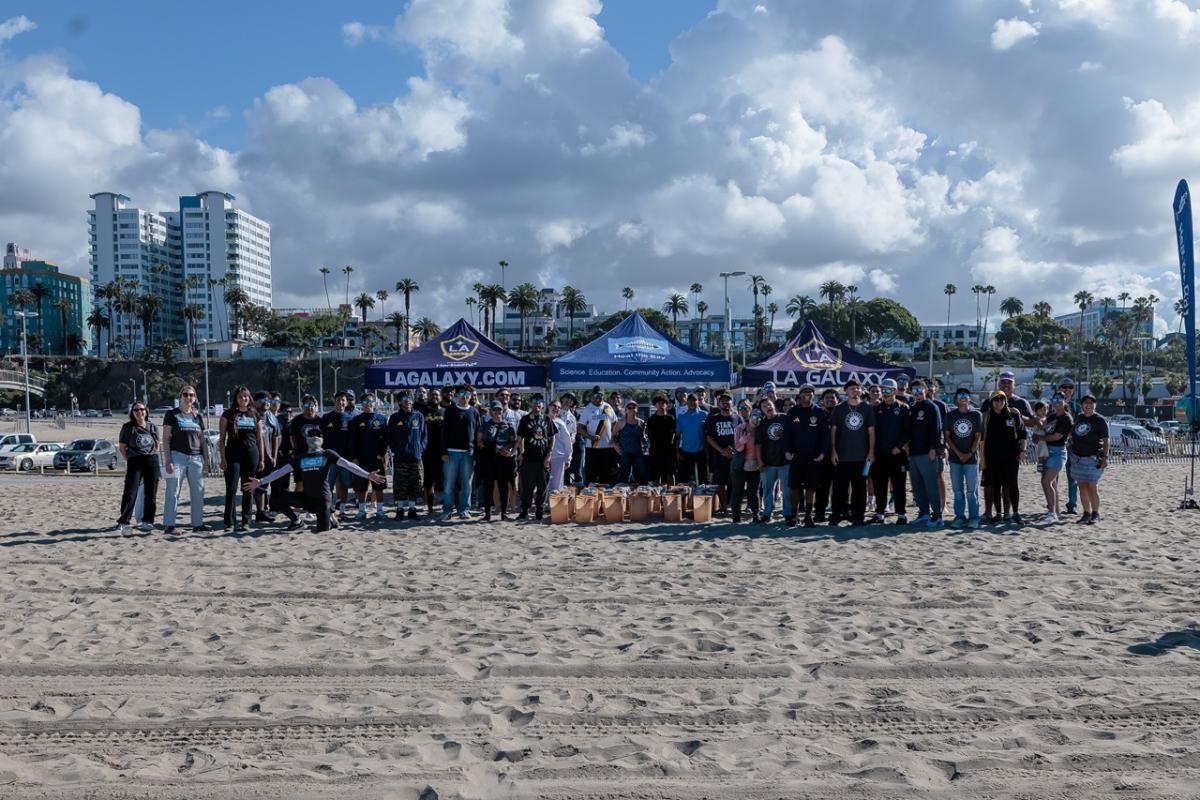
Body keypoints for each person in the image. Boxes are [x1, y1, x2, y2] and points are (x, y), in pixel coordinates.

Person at [245, 429, 385, 532]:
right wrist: (260, 481)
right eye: (311, 436)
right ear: (306, 439)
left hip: (323, 500)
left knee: (323, 530)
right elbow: (280, 472)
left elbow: (348, 465)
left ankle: (329, 516)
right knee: (276, 500)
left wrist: (368, 475)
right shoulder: (301, 457)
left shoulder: (327, 454)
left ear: (322, 438)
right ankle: (296, 521)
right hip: (307, 498)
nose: (314, 438)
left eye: (317, 435)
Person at [829, 380, 876, 526]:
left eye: (858, 388)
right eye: (852, 388)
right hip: (842, 456)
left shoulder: (867, 409)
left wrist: (871, 452)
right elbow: (833, 431)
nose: (855, 391)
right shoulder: (839, 409)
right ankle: (837, 515)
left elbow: (871, 432)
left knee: (860, 488)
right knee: (839, 489)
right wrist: (833, 451)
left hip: (862, 457)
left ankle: (858, 517)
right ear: (846, 391)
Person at [162, 386, 208, 535]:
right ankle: (169, 525)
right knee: (173, 492)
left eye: (192, 395)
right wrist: (168, 459)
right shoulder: (172, 414)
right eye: (186, 394)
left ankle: (198, 524)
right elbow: (165, 438)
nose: (188, 397)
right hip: (177, 457)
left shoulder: (197, 417)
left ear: (195, 398)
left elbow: (202, 441)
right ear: (180, 396)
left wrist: (206, 461)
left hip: (196, 458)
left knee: (198, 492)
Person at [219, 386, 265, 532]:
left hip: (251, 455)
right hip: (232, 455)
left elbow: (260, 439)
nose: (243, 399)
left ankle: (246, 520)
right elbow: (221, 439)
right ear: (236, 399)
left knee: (248, 488)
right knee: (231, 488)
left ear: (249, 398)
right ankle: (230, 522)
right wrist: (222, 458)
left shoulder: (255, 414)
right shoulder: (228, 414)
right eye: (240, 396)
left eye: (245, 396)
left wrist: (262, 459)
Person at [785, 384, 829, 528]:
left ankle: (809, 515)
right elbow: (787, 434)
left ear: (813, 395)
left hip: (813, 457)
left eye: (810, 392)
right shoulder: (793, 412)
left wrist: (822, 453)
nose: (808, 394)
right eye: (805, 392)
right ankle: (794, 514)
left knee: (811, 488)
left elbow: (825, 436)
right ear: (799, 394)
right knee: (794, 488)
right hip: (796, 457)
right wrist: (787, 450)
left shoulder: (819, 412)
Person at [982, 389, 1027, 524]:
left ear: (1005, 401)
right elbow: (980, 436)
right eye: (996, 399)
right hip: (992, 457)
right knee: (996, 485)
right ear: (991, 402)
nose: (999, 402)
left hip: (1011, 457)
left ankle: (1015, 513)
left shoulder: (1013, 415)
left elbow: (1022, 434)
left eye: (1002, 399)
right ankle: (998, 514)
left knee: (1012, 484)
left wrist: (1023, 450)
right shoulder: (986, 417)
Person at [116, 402, 160, 533]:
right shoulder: (128, 427)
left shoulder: (152, 426)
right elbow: (122, 447)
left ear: (146, 411)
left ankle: (148, 521)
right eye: (136, 410)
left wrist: (152, 455)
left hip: (151, 460)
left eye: (142, 409)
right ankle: (124, 521)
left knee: (151, 493)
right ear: (132, 412)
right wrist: (129, 458)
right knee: (130, 492)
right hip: (135, 461)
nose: (139, 412)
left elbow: (156, 444)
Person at [871, 379, 910, 525]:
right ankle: (880, 513)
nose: (885, 393)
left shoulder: (903, 408)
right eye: (883, 390)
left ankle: (901, 514)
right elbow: (871, 431)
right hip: (880, 454)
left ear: (894, 391)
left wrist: (899, 447)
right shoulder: (876, 408)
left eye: (888, 390)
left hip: (897, 455)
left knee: (899, 485)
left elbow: (908, 432)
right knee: (880, 486)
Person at [944, 387, 983, 529]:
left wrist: (969, 454)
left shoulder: (976, 415)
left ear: (969, 398)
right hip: (955, 459)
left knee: (972, 490)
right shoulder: (950, 415)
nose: (963, 397)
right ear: (956, 398)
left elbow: (978, 437)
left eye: (966, 395)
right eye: (960, 395)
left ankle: (974, 517)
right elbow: (947, 437)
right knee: (957, 490)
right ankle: (959, 516)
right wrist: (959, 454)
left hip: (971, 459)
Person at [906, 380, 943, 528]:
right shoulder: (912, 407)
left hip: (928, 453)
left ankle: (937, 515)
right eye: (914, 389)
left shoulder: (931, 407)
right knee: (917, 486)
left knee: (931, 485)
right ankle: (924, 513)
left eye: (919, 389)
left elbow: (937, 429)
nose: (917, 392)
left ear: (925, 390)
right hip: (914, 452)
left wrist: (934, 448)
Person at [441, 385, 481, 520]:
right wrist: (444, 452)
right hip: (451, 452)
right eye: (462, 393)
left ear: (471, 396)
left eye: (467, 394)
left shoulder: (474, 412)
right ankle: (447, 510)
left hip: (468, 453)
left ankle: (464, 509)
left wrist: (476, 452)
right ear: (457, 395)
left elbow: (477, 434)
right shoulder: (450, 411)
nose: (465, 396)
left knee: (467, 484)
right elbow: (444, 433)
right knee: (449, 483)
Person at [386, 391, 427, 519]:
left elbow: (424, 436)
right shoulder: (394, 417)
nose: (408, 401)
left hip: (415, 457)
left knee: (415, 484)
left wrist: (420, 449)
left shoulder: (418, 416)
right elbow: (389, 437)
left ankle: (412, 509)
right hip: (400, 457)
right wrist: (396, 449)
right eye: (405, 398)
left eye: (410, 398)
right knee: (400, 485)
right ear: (399, 401)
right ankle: (399, 509)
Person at [348, 394, 389, 520]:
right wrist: (354, 457)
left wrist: (383, 454)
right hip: (361, 458)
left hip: (377, 458)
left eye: (371, 401)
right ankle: (361, 510)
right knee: (361, 486)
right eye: (365, 401)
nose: (368, 404)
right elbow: (352, 441)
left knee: (379, 485)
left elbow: (385, 440)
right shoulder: (356, 420)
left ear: (375, 404)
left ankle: (380, 510)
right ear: (362, 403)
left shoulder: (382, 419)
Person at [1068, 393, 1108, 524]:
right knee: (1082, 486)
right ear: (1082, 405)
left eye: (1091, 403)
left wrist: (1105, 458)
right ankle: (1086, 513)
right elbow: (1072, 433)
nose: (1088, 405)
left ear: (1095, 405)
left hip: (1093, 458)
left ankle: (1095, 513)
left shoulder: (1099, 420)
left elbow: (1106, 441)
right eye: (1086, 403)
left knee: (1092, 486)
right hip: (1078, 458)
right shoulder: (1079, 417)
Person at [478, 400, 518, 520]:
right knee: (488, 485)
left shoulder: (508, 425)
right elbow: (479, 442)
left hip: (503, 459)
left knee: (503, 486)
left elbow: (513, 441)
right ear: (490, 411)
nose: (497, 412)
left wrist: (505, 448)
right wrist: (490, 447)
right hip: (489, 458)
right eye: (494, 409)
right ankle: (487, 514)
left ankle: (504, 513)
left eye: (499, 409)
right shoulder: (485, 425)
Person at [516, 395, 554, 519]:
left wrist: (549, 455)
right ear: (530, 404)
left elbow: (552, 437)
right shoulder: (525, 419)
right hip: (528, 459)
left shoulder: (547, 419)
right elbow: (520, 437)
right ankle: (525, 510)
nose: (537, 404)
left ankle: (539, 511)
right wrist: (521, 453)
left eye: (540, 402)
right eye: (534, 402)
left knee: (542, 486)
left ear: (543, 405)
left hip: (543, 459)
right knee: (527, 487)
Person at [756, 397, 792, 523]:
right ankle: (767, 514)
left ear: (774, 405)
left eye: (769, 404)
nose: (768, 407)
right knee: (767, 491)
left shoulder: (784, 418)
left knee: (787, 490)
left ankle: (787, 514)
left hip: (785, 462)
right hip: (768, 463)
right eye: (764, 406)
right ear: (762, 410)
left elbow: (794, 434)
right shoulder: (761, 424)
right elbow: (758, 444)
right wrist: (759, 461)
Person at [1037, 394, 1072, 523]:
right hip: (1047, 451)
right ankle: (1054, 511)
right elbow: (1042, 425)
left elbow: (1057, 436)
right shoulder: (1052, 416)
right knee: (1048, 483)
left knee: (1047, 481)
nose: (1056, 402)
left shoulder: (1066, 418)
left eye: (1059, 400)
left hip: (1058, 452)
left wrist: (1040, 438)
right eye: (1054, 400)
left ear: (1065, 401)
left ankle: (1052, 513)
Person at [320, 392, 355, 519]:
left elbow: (353, 440)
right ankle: (327, 510)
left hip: (345, 458)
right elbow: (321, 438)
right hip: (329, 459)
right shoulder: (326, 417)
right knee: (328, 486)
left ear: (346, 403)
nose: (341, 402)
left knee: (344, 485)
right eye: (338, 400)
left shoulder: (350, 418)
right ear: (334, 401)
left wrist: (353, 457)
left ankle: (342, 511)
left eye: (343, 400)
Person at [704, 394, 737, 513]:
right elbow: (709, 437)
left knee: (735, 483)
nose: (725, 403)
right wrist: (721, 450)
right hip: (719, 456)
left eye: (728, 401)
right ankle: (724, 507)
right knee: (720, 484)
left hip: (735, 456)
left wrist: (732, 449)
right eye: (722, 401)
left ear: (731, 403)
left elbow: (744, 435)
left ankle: (734, 506)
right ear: (718, 404)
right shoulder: (713, 418)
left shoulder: (737, 418)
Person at [730, 401, 761, 523]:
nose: (744, 410)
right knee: (737, 491)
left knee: (754, 492)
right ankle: (736, 517)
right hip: (740, 465)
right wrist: (743, 440)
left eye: (747, 408)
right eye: (741, 408)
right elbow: (737, 448)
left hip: (755, 465)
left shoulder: (759, 429)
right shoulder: (740, 428)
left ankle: (755, 515)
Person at [578, 390, 617, 484]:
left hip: (608, 448)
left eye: (601, 395)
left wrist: (614, 437)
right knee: (592, 477)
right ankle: (591, 497)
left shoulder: (608, 407)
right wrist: (590, 437)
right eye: (596, 395)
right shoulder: (587, 409)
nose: (599, 397)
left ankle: (606, 497)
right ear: (592, 396)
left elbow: (615, 423)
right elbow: (579, 428)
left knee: (607, 477)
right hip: (592, 447)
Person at [812, 388, 839, 521]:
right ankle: (820, 512)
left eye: (832, 397)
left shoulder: (842, 414)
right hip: (822, 457)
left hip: (840, 457)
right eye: (827, 398)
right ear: (822, 401)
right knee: (822, 487)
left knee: (839, 488)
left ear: (837, 400)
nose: (830, 400)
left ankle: (837, 513)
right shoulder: (817, 415)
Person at [1057, 377, 1082, 514]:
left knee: (1073, 476)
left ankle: (1072, 504)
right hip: (1055, 445)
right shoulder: (1052, 404)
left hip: (1072, 446)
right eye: (1064, 387)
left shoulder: (1076, 406)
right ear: (1059, 388)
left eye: (1070, 387)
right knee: (1053, 476)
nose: (1067, 389)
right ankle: (1053, 505)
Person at [675, 394, 709, 483]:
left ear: (698, 402)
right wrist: (677, 451)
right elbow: (677, 436)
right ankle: (689, 496)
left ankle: (703, 497)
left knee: (704, 479)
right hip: (686, 452)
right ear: (687, 402)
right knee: (688, 480)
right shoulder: (681, 417)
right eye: (690, 400)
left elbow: (709, 433)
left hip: (701, 451)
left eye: (694, 400)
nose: (692, 402)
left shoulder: (704, 415)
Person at [612, 400, 648, 485]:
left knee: (641, 473)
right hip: (625, 452)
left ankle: (641, 493)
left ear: (637, 409)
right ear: (626, 410)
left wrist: (645, 438)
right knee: (624, 474)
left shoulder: (641, 422)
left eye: (634, 407)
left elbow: (642, 437)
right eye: (629, 407)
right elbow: (613, 436)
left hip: (637, 452)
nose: (632, 409)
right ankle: (621, 494)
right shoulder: (620, 422)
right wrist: (616, 447)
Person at [421, 388, 444, 515]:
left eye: (437, 395)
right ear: (428, 397)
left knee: (448, 481)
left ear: (440, 397)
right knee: (429, 482)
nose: (434, 397)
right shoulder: (422, 412)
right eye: (432, 395)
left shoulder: (445, 412)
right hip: (427, 452)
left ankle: (450, 507)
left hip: (443, 453)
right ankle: (430, 508)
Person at [646, 395, 677, 484]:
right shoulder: (651, 419)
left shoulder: (671, 418)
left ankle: (673, 493)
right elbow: (649, 434)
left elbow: (673, 433)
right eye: (658, 403)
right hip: (656, 449)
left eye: (663, 403)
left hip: (669, 449)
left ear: (666, 405)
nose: (661, 405)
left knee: (670, 473)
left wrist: (671, 444)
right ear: (655, 405)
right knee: (657, 474)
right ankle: (657, 495)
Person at [547, 400, 574, 493]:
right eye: (554, 406)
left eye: (559, 407)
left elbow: (567, 442)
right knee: (544, 482)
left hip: (558, 456)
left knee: (556, 484)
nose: (556, 408)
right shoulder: (542, 420)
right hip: (543, 457)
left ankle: (554, 505)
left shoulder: (561, 423)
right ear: (549, 406)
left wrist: (568, 458)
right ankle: (543, 504)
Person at [559, 393, 583, 486]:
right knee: (560, 475)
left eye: (571, 399)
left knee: (569, 471)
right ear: (562, 399)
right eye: (567, 398)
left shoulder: (572, 417)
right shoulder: (556, 412)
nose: (569, 400)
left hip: (567, 448)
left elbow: (573, 434)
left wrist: (569, 444)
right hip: (556, 448)